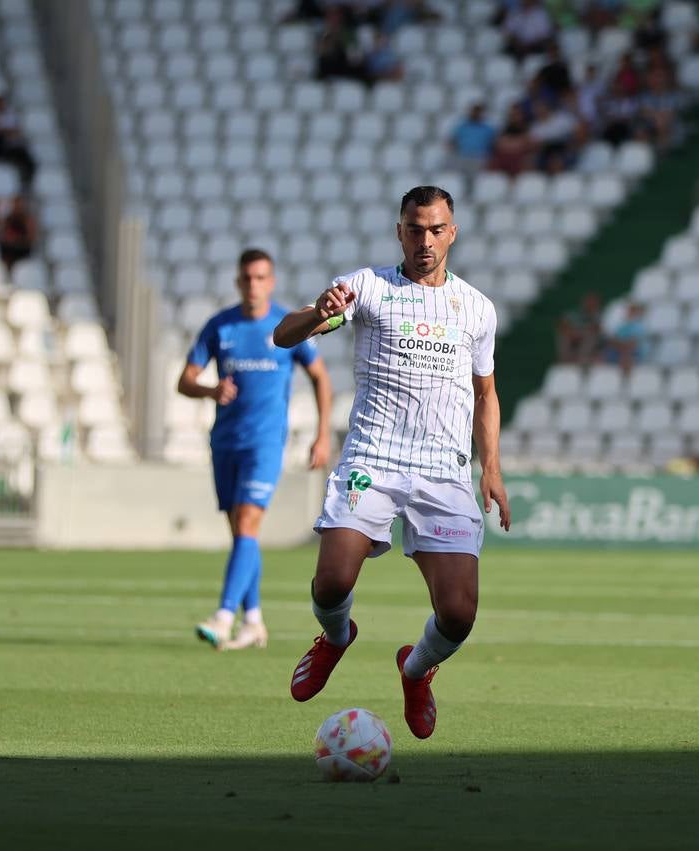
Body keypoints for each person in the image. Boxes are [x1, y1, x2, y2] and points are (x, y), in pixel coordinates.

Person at [272, 185, 510, 740]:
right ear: (399, 230)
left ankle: (416, 668)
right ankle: (335, 638)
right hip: (373, 460)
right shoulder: (366, 287)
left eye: (436, 229)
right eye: (414, 229)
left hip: (443, 472)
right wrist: (316, 316)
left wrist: (491, 468)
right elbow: (283, 336)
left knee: (458, 614)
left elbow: (486, 394)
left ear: (452, 232)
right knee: (331, 582)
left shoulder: (475, 307)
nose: (425, 240)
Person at [180, 249, 333, 651]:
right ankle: (254, 621)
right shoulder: (221, 326)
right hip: (225, 442)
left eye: (261, 277)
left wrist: (322, 434)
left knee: (247, 525)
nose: (254, 285)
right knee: (241, 534)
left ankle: (224, 615)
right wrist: (210, 389)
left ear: (272, 281)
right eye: (247, 278)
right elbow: (185, 380)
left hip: (265, 443)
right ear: (238, 282)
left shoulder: (285, 326)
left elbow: (320, 376)